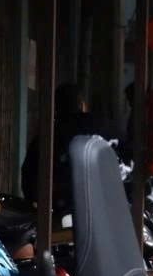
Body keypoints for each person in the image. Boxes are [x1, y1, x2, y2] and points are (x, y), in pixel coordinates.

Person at [21, 83, 104, 219]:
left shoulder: (49, 135)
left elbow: (29, 176)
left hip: (59, 210)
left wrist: (35, 204)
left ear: (56, 108)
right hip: (98, 208)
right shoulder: (100, 129)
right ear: (81, 104)